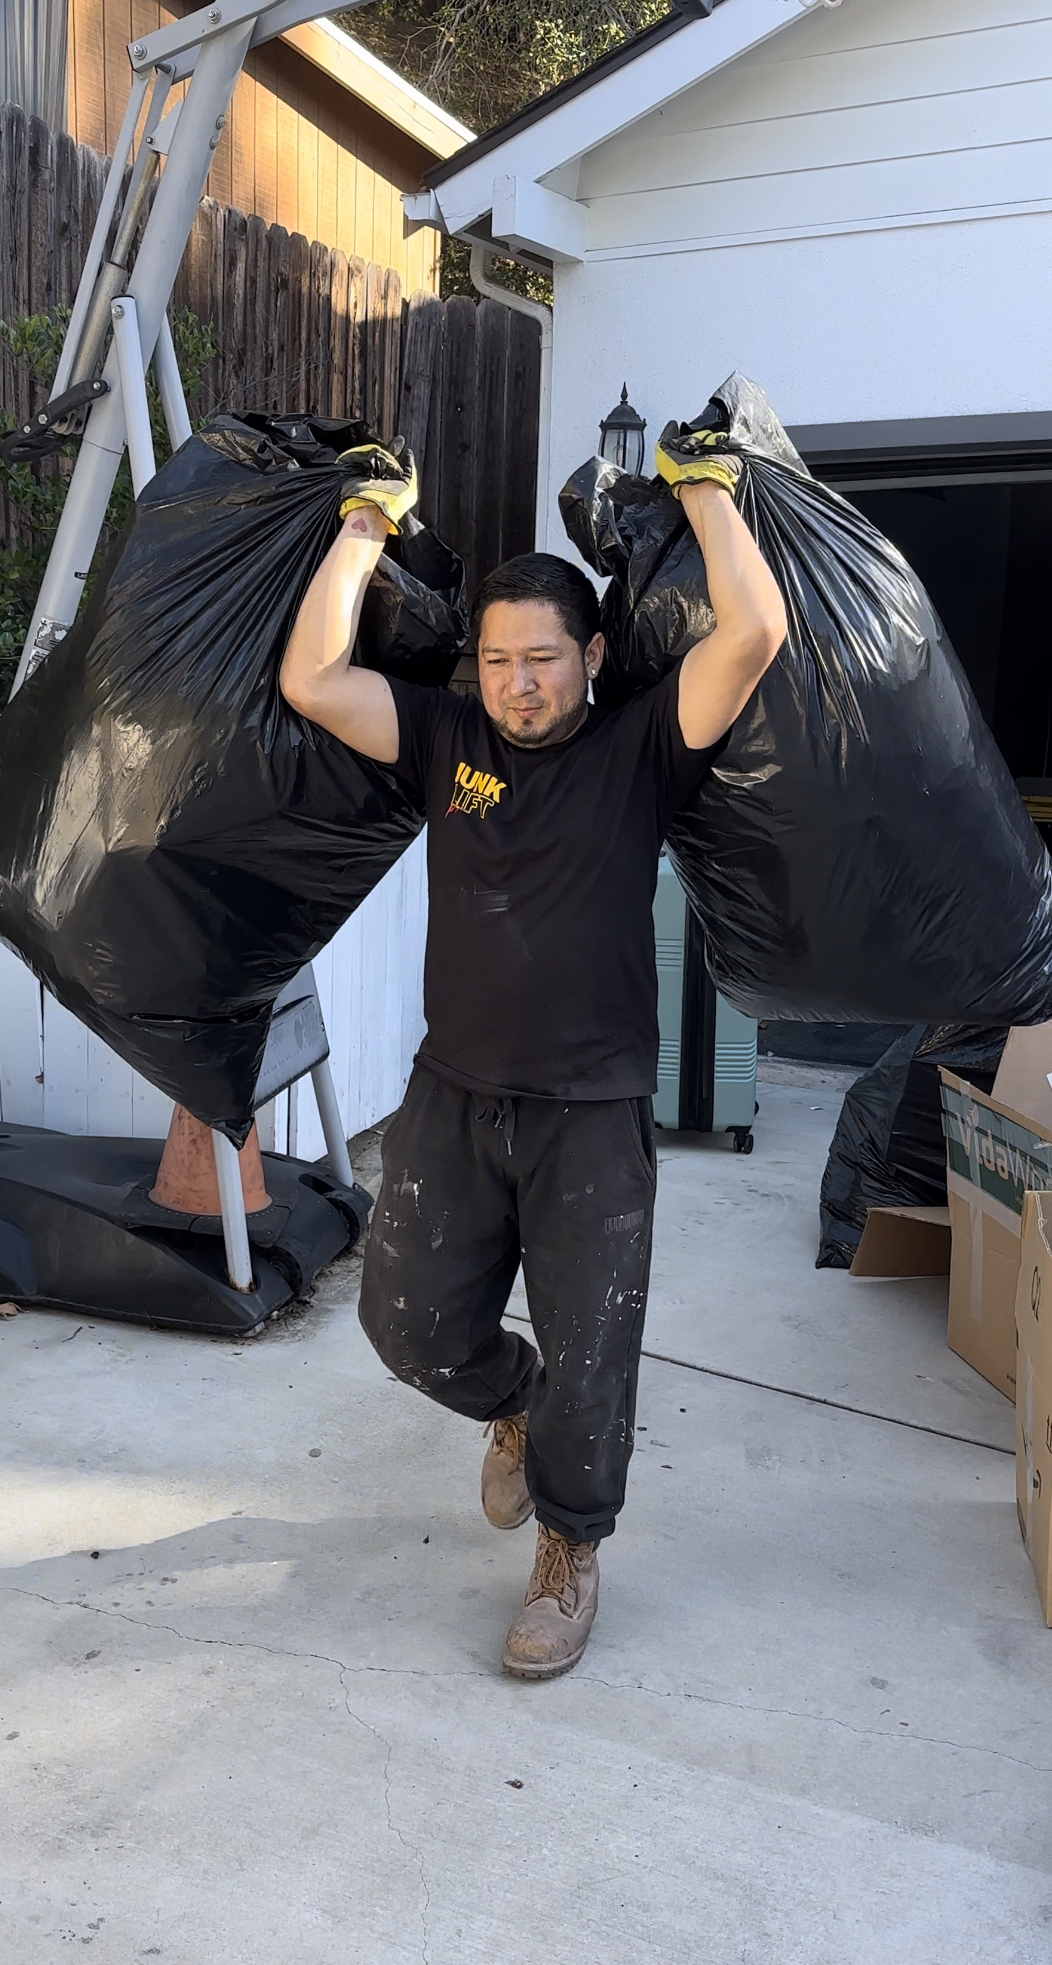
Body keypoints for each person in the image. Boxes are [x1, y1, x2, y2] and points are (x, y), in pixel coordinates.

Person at [279, 430, 788, 1680]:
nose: (518, 684)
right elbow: (312, 680)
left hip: (593, 1111)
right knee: (404, 1323)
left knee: (597, 1344)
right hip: (451, 1096)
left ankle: (571, 1550)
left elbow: (754, 634)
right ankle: (512, 1402)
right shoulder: (451, 737)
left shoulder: (642, 747)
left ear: (592, 657)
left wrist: (706, 493)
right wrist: (364, 525)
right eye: (499, 659)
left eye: (542, 661)